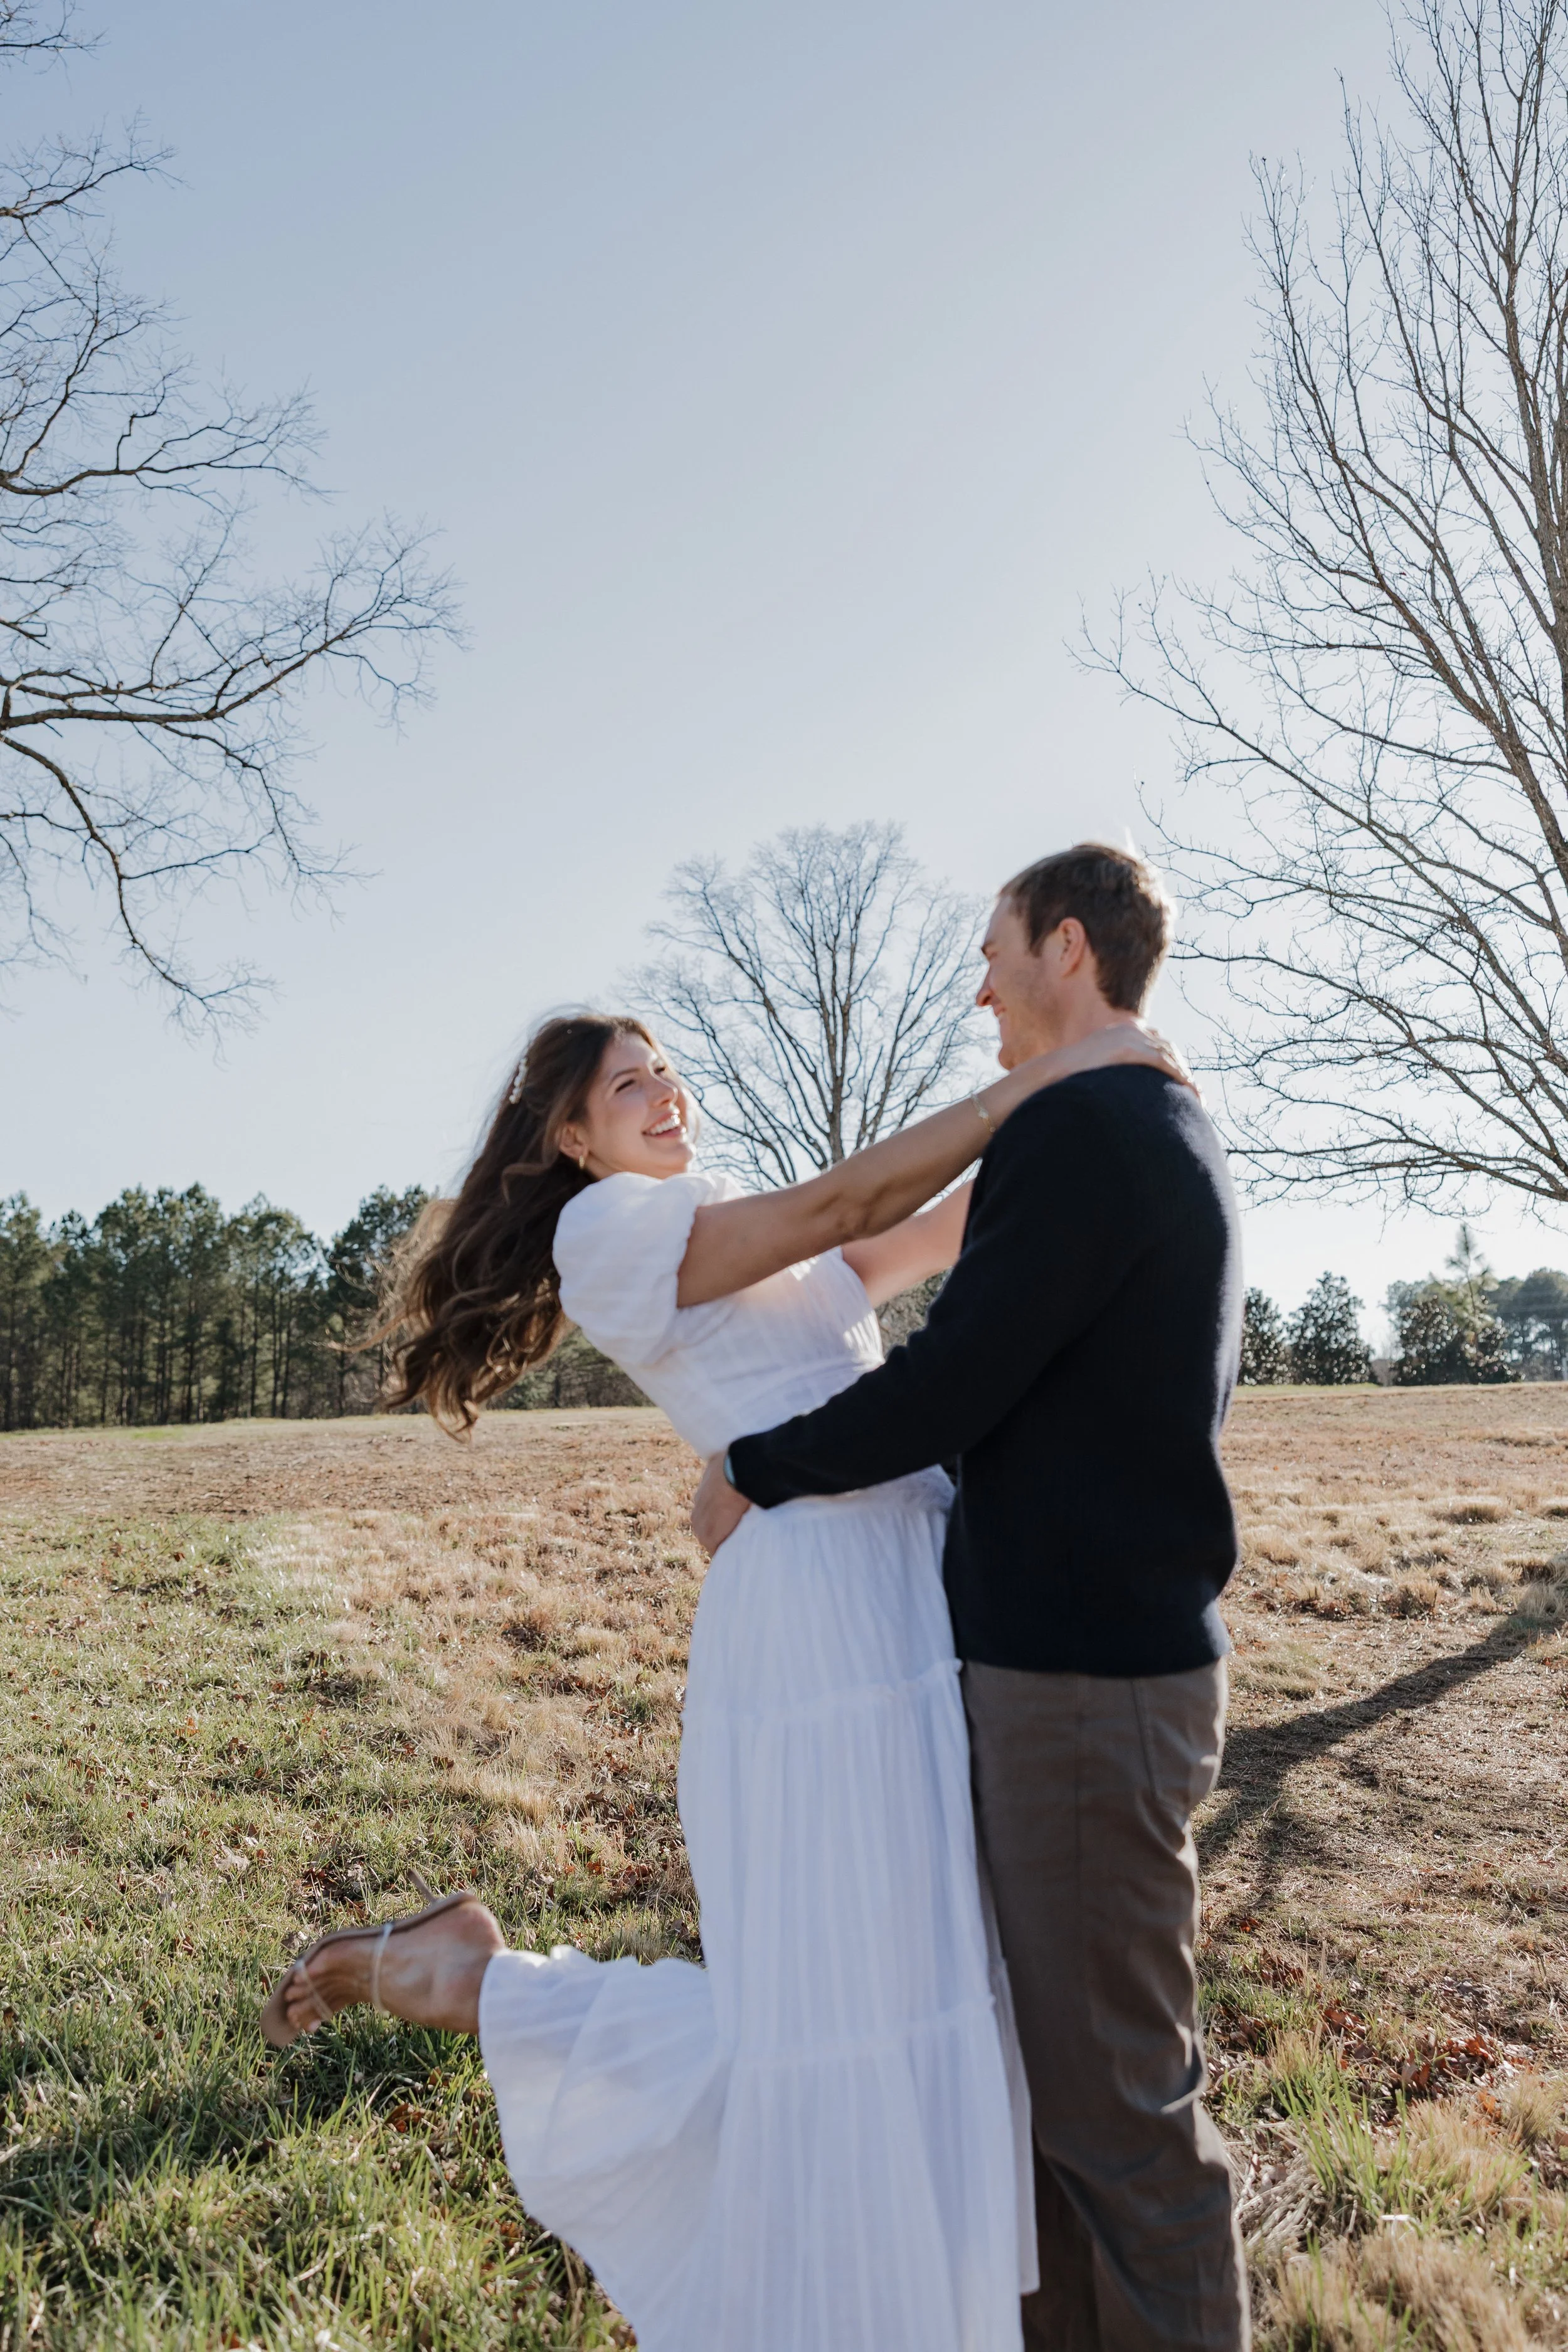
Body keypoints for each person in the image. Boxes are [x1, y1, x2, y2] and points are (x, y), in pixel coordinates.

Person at [260, 997, 1189, 2352]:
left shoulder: (720, 1220)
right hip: (815, 1628)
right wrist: (1053, 1070)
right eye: (625, 1086)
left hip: (903, 1598)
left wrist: (1100, 1113)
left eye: (664, 1072)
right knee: (840, 2003)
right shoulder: (611, 1234)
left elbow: (922, 1232)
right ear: (569, 1138)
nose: (662, 1093)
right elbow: (842, 1204)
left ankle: (486, 1988)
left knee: (923, 1975)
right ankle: (485, 1990)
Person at [692, 842, 1251, 2352]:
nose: (981, 980)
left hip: (1085, 1689)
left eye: (994, 948)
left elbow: (950, 1381)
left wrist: (755, 1464)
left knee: (1121, 2119)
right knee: (1057, 2108)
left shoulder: (1090, 1131)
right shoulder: (1145, 1120)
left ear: (1064, 947)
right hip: (1081, 1668)